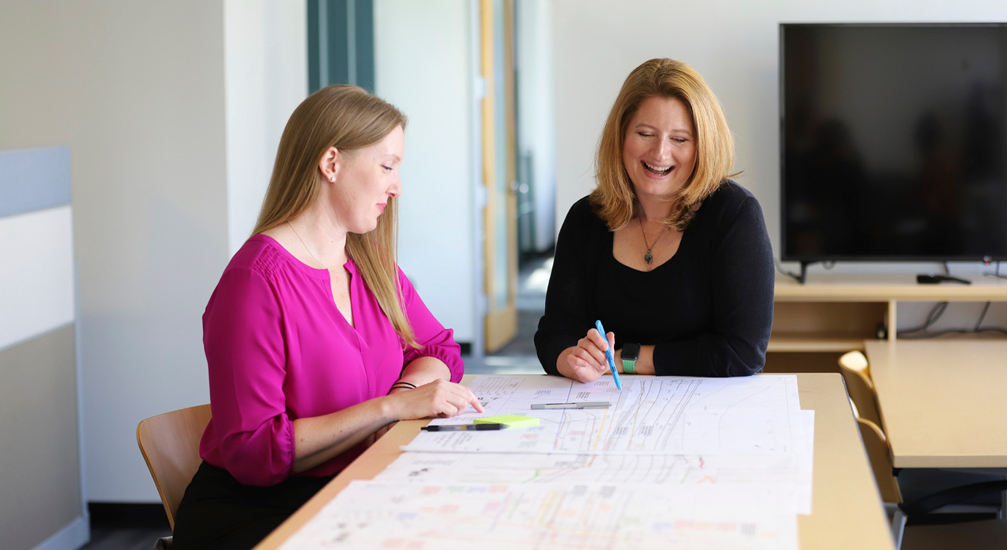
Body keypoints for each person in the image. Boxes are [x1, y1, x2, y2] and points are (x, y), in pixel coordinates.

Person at [172, 85, 483, 550]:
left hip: (356, 484)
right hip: (263, 513)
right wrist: (389, 409)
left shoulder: (368, 262)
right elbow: (254, 451)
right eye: (387, 166)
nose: (397, 186)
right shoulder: (254, 284)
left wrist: (403, 392)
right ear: (331, 163)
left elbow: (437, 350)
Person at [534, 58, 774, 382]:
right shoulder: (585, 219)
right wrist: (571, 359)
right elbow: (554, 334)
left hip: (705, 412)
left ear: (703, 146)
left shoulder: (734, 214)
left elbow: (742, 353)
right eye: (645, 133)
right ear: (620, 136)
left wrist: (626, 359)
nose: (660, 153)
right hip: (605, 408)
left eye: (680, 139)